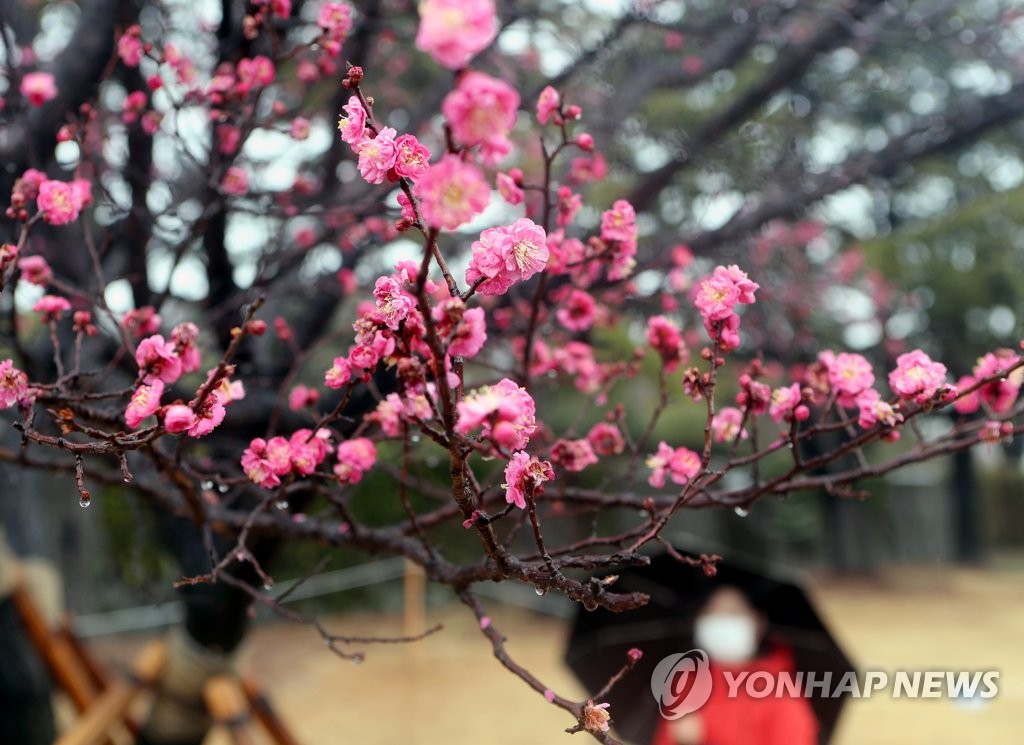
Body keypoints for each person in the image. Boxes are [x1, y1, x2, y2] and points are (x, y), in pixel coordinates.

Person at [652, 585, 818, 745]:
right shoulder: (688, 680)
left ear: (758, 622)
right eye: (712, 612)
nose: (721, 620)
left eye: (732, 612)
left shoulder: (781, 692)